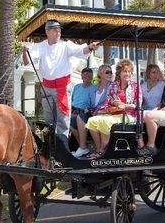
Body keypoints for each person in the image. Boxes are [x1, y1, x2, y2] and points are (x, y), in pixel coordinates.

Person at [22, 19, 99, 152]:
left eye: (59, 29)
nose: (58, 32)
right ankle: (50, 150)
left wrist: (90, 47)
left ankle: (63, 152)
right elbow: (27, 62)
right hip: (47, 87)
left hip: (62, 87)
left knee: (63, 122)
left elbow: (80, 50)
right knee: (49, 120)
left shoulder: (66, 45)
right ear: (47, 32)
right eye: (54, 29)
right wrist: (24, 51)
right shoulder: (40, 46)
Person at [86, 59, 142, 159]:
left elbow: (137, 104)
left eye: (129, 71)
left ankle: (102, 150)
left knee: (104, 121)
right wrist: (114, 105)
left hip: (130, 115)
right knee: (91, 121)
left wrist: (124, 106)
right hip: (115, 113)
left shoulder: (135, 86)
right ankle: (99, 149)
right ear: (119, 73)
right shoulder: (114, 85)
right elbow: (110, 100)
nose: (127, 74)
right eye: (125, 71)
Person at [86, 64, 113, 156]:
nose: (110, 74)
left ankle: (100, 150)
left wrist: (98, 111)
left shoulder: (112, 86)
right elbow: (89, 102)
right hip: (93, 112)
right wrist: (88, 109)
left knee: (96, 120)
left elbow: (109, 103)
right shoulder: (94, 87)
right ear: (100, 74)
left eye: (111, 72)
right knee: (78, 118)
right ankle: (96, 149)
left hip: (105, 112)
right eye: (107, 72)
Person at [70, 67, 95, 157]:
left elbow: (94, 103)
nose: (87, 77)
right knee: (66, 121)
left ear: (92, 77)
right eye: (85, 75)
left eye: (89, 75)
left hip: (86, 112)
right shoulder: (77, 87)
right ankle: (83, 146)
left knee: (79, 118)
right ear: (81, 76)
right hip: (74, 110)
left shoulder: (94, 88)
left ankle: (83, 147)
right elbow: (72, 100)